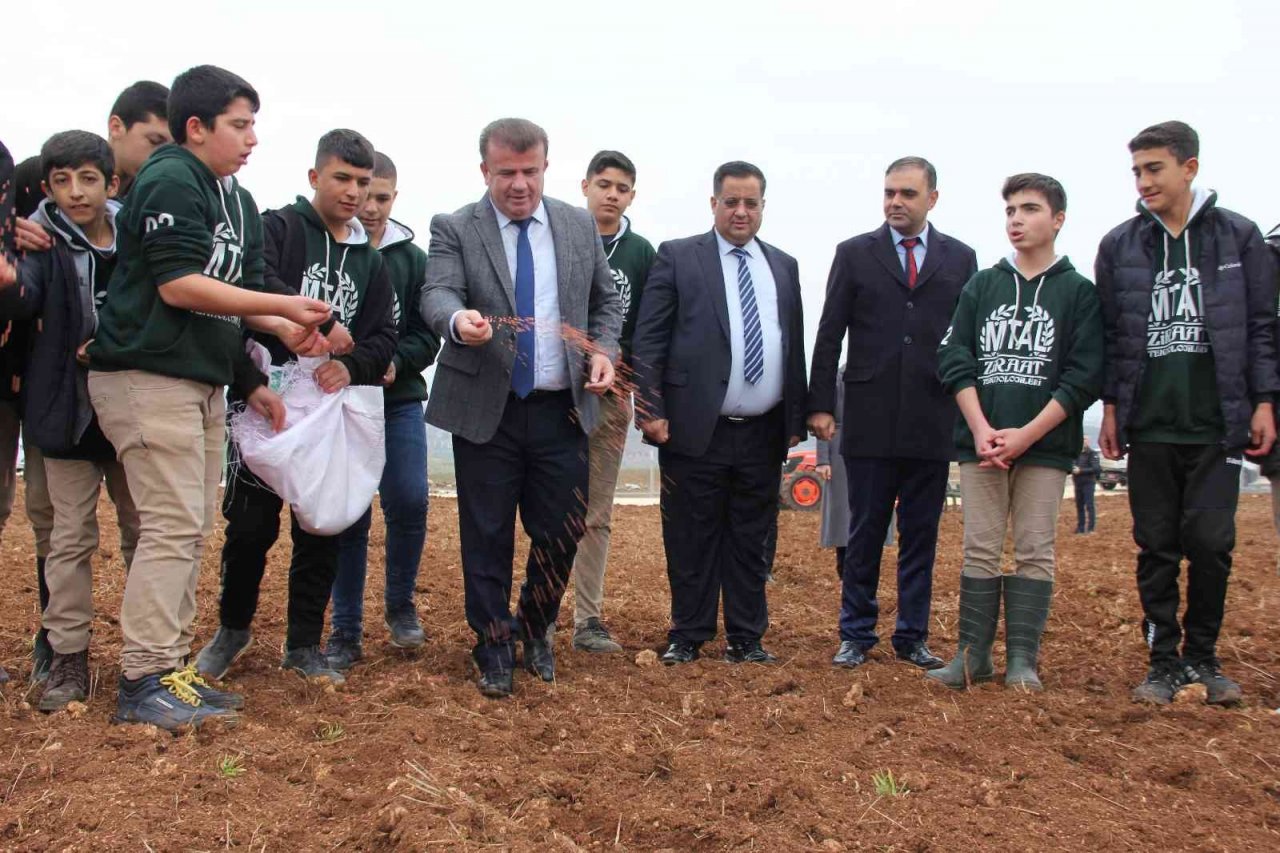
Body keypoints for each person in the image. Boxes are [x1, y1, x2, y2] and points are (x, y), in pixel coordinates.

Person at [87, 65, 332, 730]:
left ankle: (168, 672)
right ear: (197, 128)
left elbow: (238, 296)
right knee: (170, 525)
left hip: (199, 379)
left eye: (254, 123)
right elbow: (179, 285)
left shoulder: (240, 202)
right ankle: (143, 678)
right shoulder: (171, 176)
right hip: (147, 374)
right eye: (239, 124)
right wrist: (282, 301)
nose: (252, 137)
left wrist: (284, 326)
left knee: (190, 526)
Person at [419, 118, 621, 698]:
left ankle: (535, 627)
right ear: (485, 170)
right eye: (505, 172)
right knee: (485, 532)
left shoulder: (578, 226)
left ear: (546, 168)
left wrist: (604, 352)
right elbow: (438, 293)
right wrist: (459, 322)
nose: (518, 184)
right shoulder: (457, 227)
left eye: (529, 171)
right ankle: (492, 645)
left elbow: (606, 304)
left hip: (562, 409)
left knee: (563, 529)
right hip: (489, 407)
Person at [197, 129, 397, 687]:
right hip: (265, 403)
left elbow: (384, 336)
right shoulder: (277, 228)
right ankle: (232, 630)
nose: (354, 192)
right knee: (250, 528)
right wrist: (249, 381)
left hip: (329, 410)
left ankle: (305, 643)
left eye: (363, 182)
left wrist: (351, 368)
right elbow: (248, 293)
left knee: (321, 527)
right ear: (314, 177)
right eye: (342, 179)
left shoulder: (371, 262)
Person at [1096, 121, 1278, 706]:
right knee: (1155, 544)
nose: (1144, 181)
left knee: (1210, 541)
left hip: (1216, 421)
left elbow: (1259, 327)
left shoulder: (1239, 238)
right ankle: (1162, 661)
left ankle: (1203, 656)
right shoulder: (1120, 245)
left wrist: (1264, 402)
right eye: (1137, 171)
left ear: (1189, 168)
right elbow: (1113, 336)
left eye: (1154, 169)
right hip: (1149, 422)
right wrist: (1111, 409)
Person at [6, 80, 171, 684]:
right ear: (46, 186)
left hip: (130, 406)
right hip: (64, 410)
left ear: (111, 182)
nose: (75, 193)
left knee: (143, 530)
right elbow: (23, 299)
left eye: (88, 179)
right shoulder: (39, 243)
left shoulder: (138, 238)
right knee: (70, 536)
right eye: (61, 181)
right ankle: (67, 656)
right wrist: (7, 278)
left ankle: (148, 655)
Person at [930, 172, 1103, 692]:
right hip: (980, 446)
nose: (1016, 220)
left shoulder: (1078, 293)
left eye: (1029, 209)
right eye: (1010, 210)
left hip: (1045, 448)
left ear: (1058, 219)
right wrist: (981, 428)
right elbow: (954, 358)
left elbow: (1083, 375)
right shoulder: (982, 285)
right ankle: (972, 656)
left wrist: (1027, 433)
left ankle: (1023, 660)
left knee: (1034, 549)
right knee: (980, 548)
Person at [632, 160, 807, 666]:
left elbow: (790, 343)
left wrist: (795, 416)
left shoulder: (784, 266)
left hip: (762, 430)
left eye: (751, 203)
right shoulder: (679, 258)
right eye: (731, 201)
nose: (740, 211)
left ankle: (747, 638)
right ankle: (688, 633)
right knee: (691, 535)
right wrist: (650, 407)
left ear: (763, 207)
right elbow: (649, 338)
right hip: (692, 427)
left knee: (752, 540)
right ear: (713, 203)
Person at [807, 157, 978, 671]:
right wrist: (819, 404)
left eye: (906, 193)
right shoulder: (855, 254)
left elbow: (967, 338)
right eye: (889, 193)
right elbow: (829, 330)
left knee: (921, 534)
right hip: (869, 415)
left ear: (933, 198)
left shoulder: (961, 259)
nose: (895, 202)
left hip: (932, 415)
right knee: (864, 532)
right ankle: (855, 634)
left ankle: (912, 636)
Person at [326, 151, 441, 670]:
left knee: (411, 499)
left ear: (395, 197)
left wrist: (397, 360)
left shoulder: (412, 259)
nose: (370, 206)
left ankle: (400, 607)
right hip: (339, 402)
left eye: (382, 196)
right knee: (349, 512)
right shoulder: (328, 247)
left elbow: (426, 333)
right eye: (365, 193)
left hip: (397, 401)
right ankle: (345, 628)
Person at [571, 150, 655, 653]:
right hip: (556, 394)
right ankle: (537, 612)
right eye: (604, 184)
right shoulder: (561, 237)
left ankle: (588, 618)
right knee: (548, 506)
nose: (612, 195)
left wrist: (633, 386)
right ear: (585, 186)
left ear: (632, 196)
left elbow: (647, 325)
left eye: (622, 188)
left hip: (611, 398)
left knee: (596, 511)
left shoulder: (641, 252)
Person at [815, 366, 850, 577]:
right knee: (842, 515)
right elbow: (822, 417)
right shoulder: (838, 375)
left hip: (875, 444)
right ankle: (844, 568)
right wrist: (822, 460)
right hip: (839, 451)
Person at [1072, 436, 1101, 534]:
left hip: (1088, 482)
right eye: (1082, 439)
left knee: (1089, 505)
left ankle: (1091, 528)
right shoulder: (1075, 454)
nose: (1083, 441)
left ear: (1088, 441)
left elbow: (1096, 468)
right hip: (1077, 482)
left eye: (1085, 439)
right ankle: (1080, 528)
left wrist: (1081, 471)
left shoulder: (1092, 453)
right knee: (1079, 505)